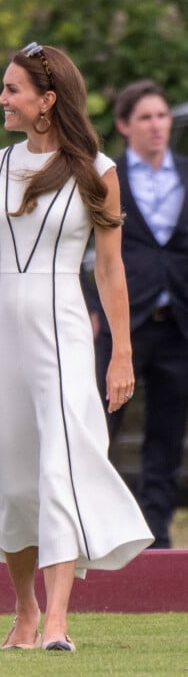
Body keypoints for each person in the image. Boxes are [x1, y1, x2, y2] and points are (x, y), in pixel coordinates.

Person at [0, 43, 153, 652]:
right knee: (13, 477)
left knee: (60, 467)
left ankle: (57, 619)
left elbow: (111, 273)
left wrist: (122, 353)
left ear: (46, 102)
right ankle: (25, 615)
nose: (2, 99)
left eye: (12, 90)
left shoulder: (98, 172)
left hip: (62, 334)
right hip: (3, 336)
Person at [88, 80, 188, 549]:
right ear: (126, 125)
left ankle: (156, 538)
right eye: (146, 117)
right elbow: (85, 249)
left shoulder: (185, 174)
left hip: (179, 324)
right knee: (101, 425)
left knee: (166, 437)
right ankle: (93, 528)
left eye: (163, 116)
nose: (157, 126)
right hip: (120, 321)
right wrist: (90, 307)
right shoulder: (107, 177)